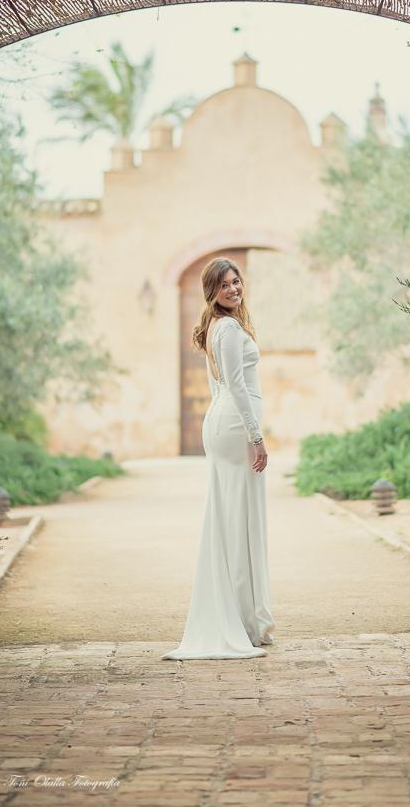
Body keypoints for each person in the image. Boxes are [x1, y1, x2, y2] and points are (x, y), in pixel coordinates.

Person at [161, 257, 275, 659]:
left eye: (236, 281)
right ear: (212, 291)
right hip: (234, 428)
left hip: (224, 423)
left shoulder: (220, 327)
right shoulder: (225, 329)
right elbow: (237, 387)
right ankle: (242, 622)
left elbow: (219, 388)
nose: (234, 289)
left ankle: (247, 618)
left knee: (235, 520)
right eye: (224, 284)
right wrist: (255, 437)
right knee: (239, 522)